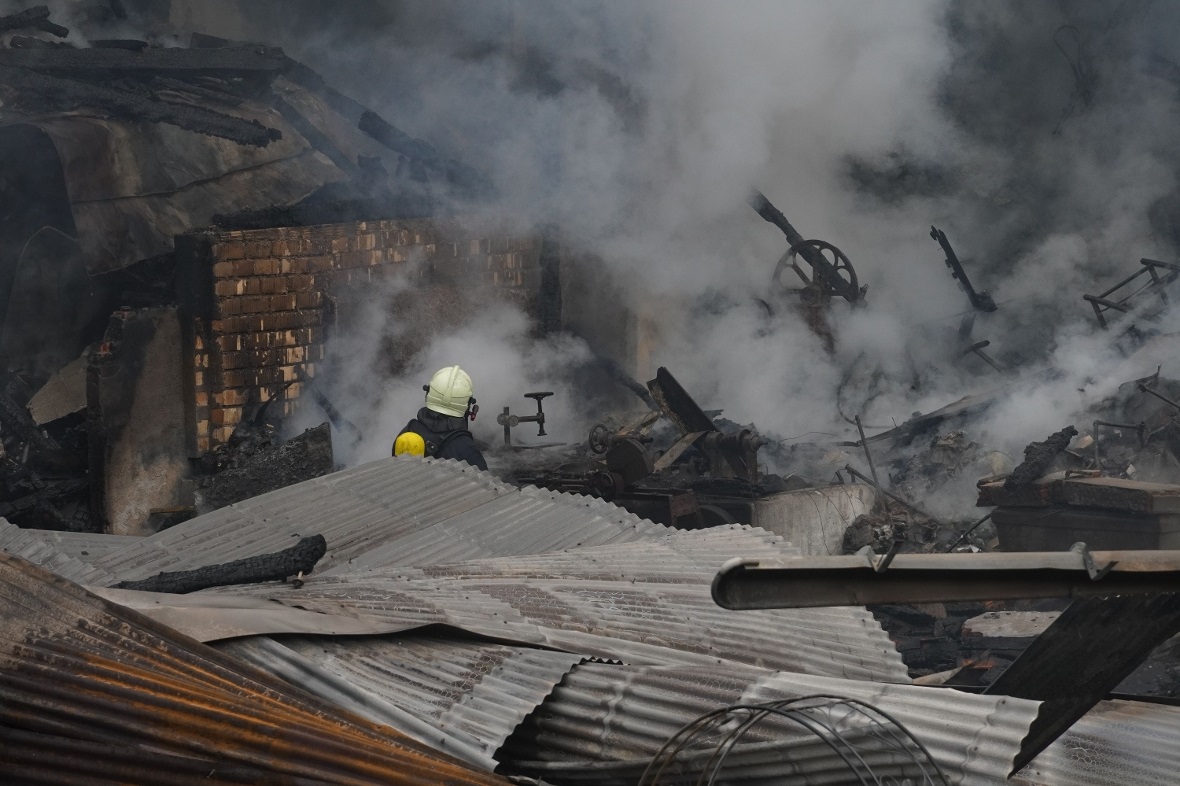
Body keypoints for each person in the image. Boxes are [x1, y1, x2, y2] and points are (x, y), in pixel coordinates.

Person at [393, 365, 488, 470]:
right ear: (467, 405)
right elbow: (486, 483)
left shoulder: (407, 433)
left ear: (428, 394)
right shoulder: (466, 450)